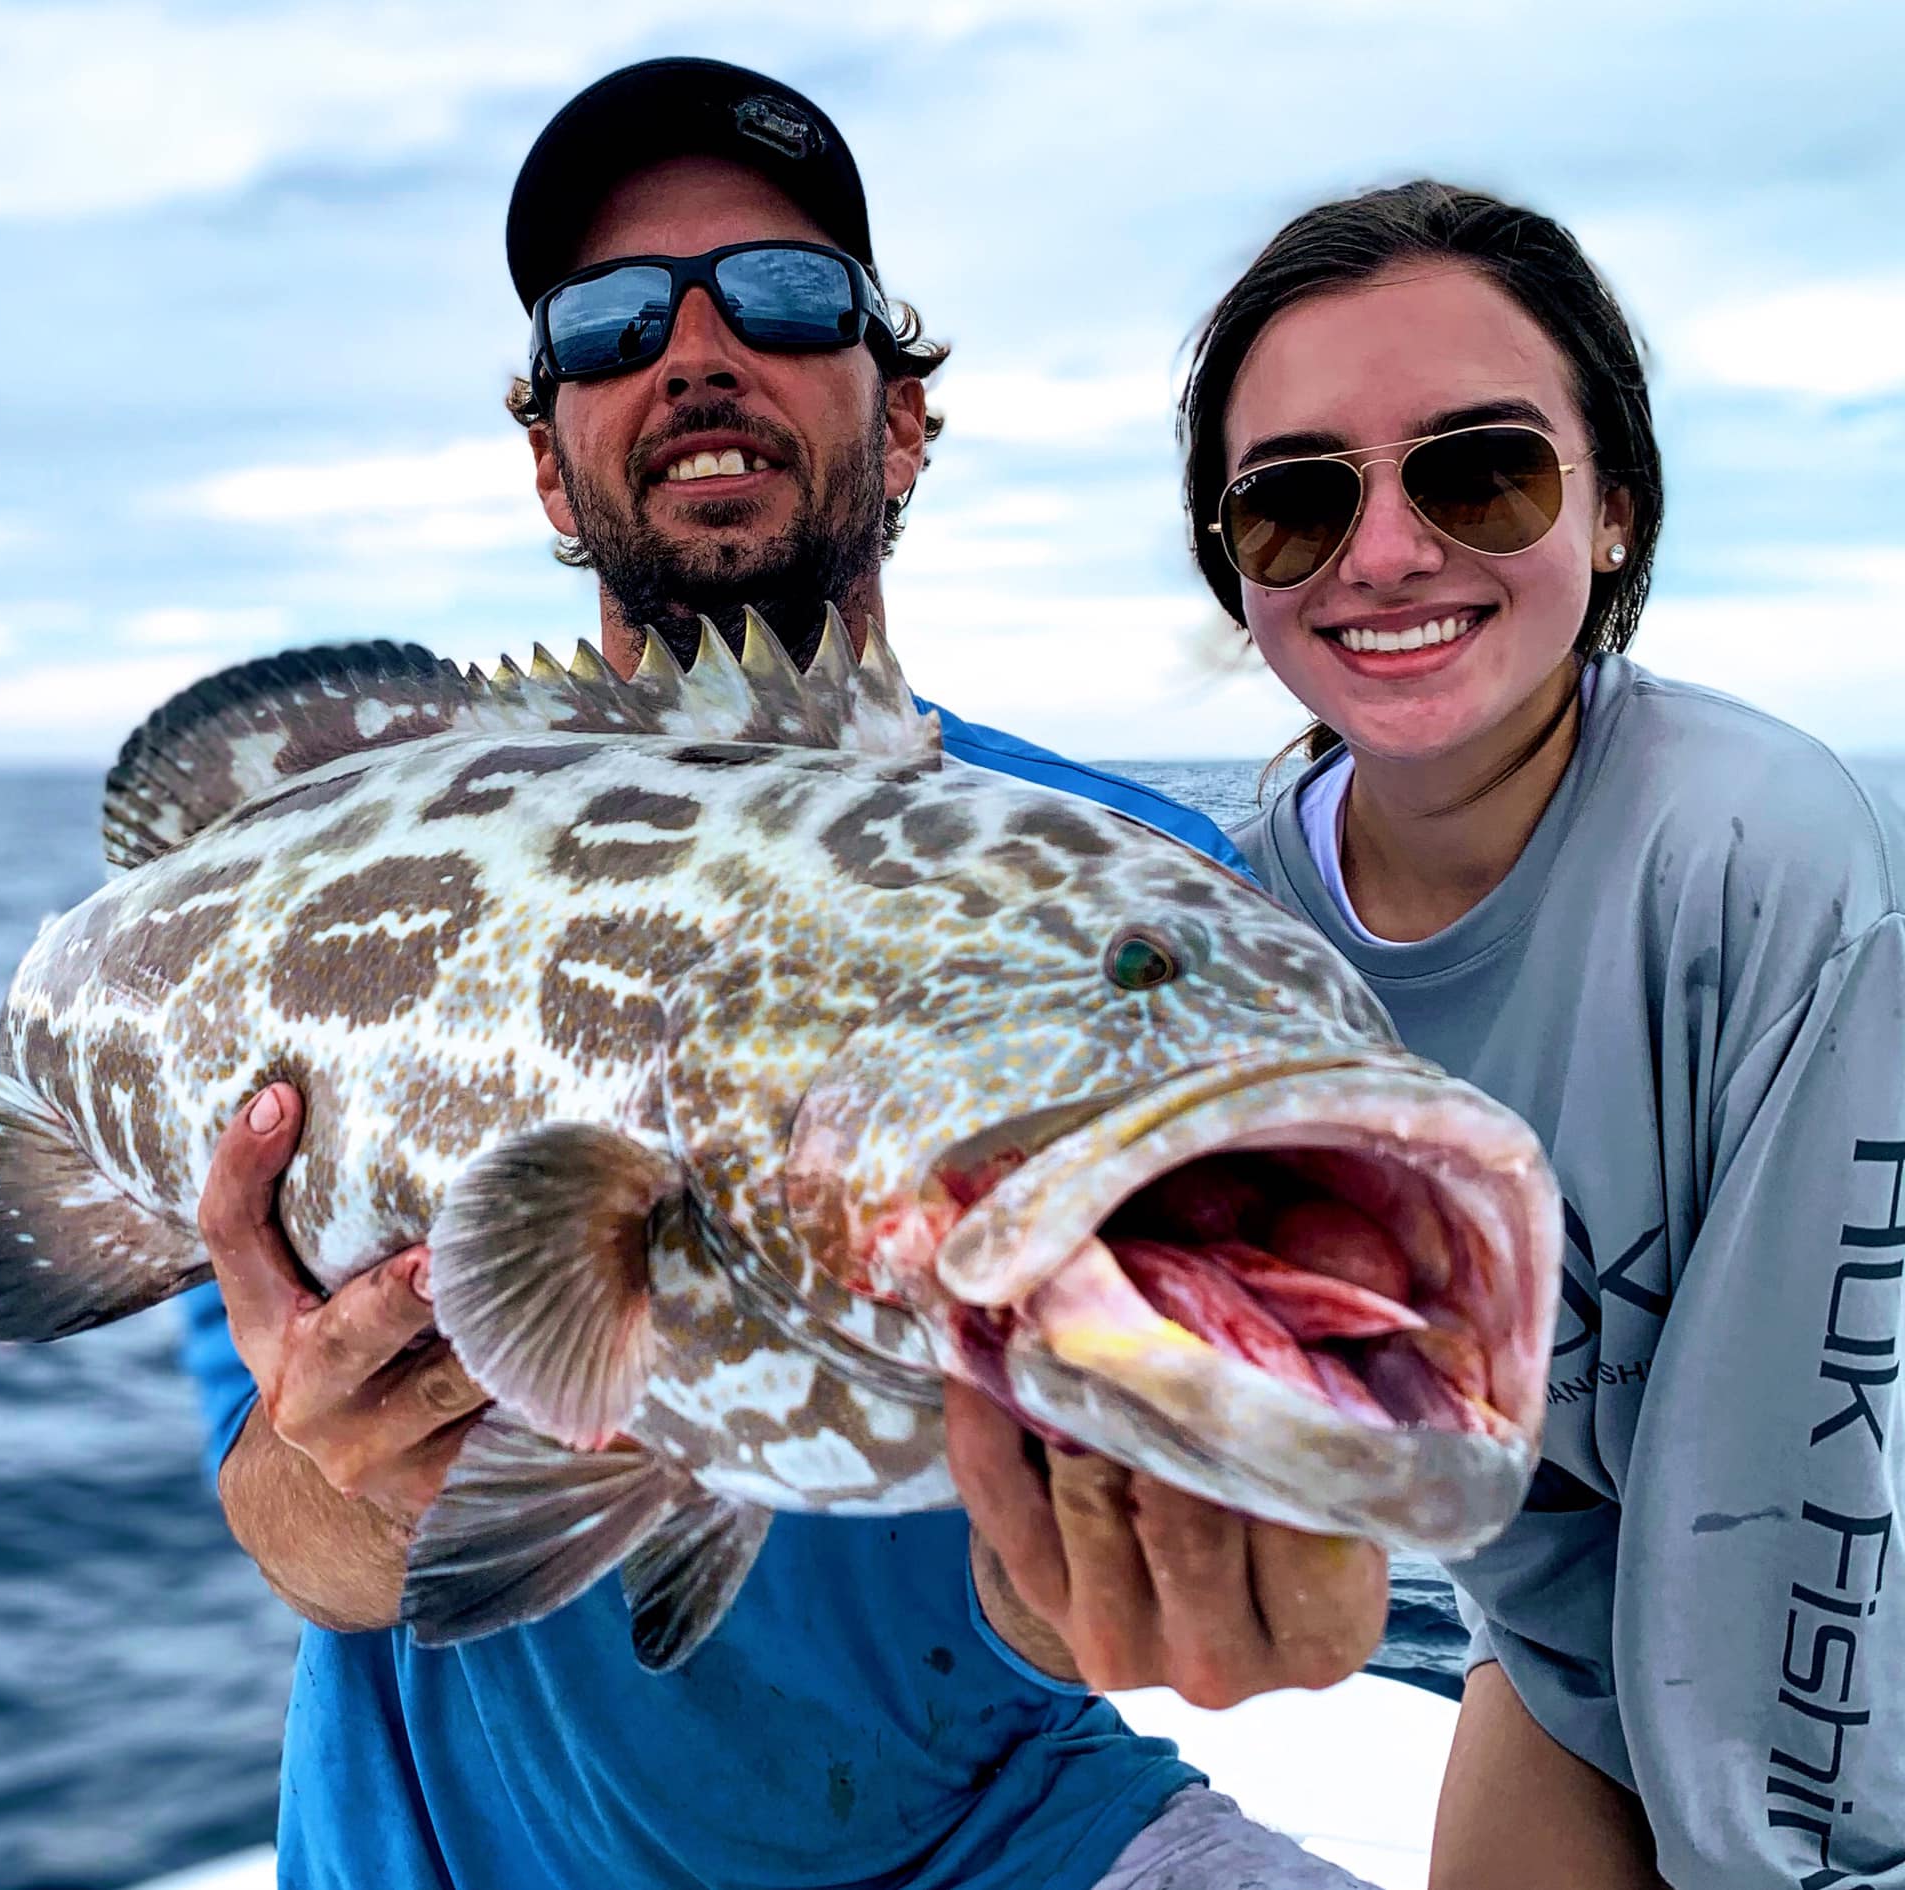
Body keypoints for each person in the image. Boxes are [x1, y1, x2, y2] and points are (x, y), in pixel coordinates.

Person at [180, 59, 1390, 1890]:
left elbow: (1145, 1544)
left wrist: (1119, 1560)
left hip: (1008, 1829)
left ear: (903, 421)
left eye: (786, 294)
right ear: (547, 456)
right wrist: (343, 1462)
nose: (694, 348)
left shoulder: (1145, 904)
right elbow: (292, 1540)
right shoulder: (356, 903)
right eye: (606, 322)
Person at [1182, 180, 1905, 1889]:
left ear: (1619, 512)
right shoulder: (1243, 929)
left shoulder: (1760, 855)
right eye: (1295, 502)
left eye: (1478, 468)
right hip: (1580, 1636)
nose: (1382, 551)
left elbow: (1808, 1485)